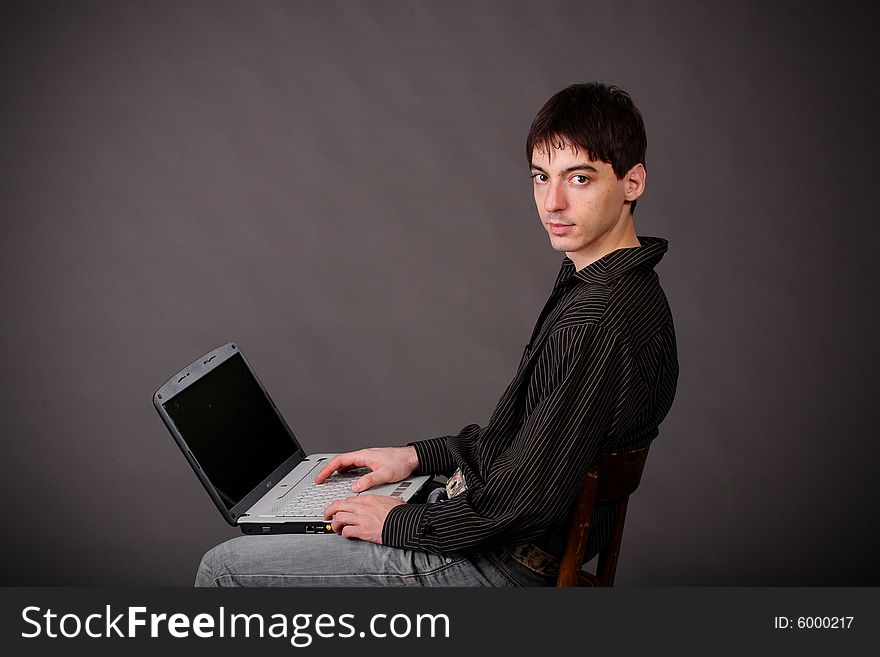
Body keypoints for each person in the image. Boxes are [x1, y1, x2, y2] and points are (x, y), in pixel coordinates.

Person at [195, 82, 678, 587]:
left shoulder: (597, 317)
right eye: (540, 177)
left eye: (579, 179)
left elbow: (523, 501)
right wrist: (413, 457)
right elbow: (526, 445)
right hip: (502, 539)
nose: (552, 202)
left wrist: (399, 521)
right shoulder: (624, 288)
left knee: (226, 568)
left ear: (632, 183)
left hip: (503, 564)